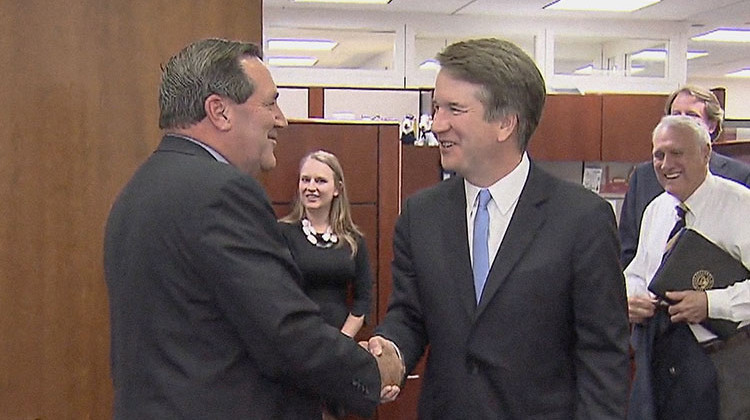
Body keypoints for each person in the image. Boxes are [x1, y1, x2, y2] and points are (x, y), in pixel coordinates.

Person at [103, 38, 400, 419]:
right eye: (270, 102)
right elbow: (285, 334)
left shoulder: (138, 189)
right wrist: (374, 373)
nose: (281, 119)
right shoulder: (222, 192)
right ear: (220, 111)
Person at [366, 38, 631, 419]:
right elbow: (409, 315)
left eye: (455, 109)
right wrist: (388, 351)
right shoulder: (421, 214)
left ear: (506, 122)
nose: (437, 124)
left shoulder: (581, 219)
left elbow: (604, 356)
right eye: (437, 107)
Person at [625, 115, 750, 420]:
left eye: (677, 153)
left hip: (720, 361)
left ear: (706, 153)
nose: (666, 164)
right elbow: (638, 271)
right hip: (657, 356)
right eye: (659, 155)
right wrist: (629, 295)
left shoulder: (741, 206)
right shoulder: (657, 209)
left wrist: (711, 303)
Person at [618, 85, 750, 268]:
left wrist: (708, 298)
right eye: (675, 115)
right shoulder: (655, 206)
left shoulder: (740, 198)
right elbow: (635, 265)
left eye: (691, 115)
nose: (667, 165)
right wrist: (632, 292)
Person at [279, 150, 373, 339]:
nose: (311, 187)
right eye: (305, 180)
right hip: (294, 341)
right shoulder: (281, 233)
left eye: (320, 181)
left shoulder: (353, 240)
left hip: (340, 344)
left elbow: (363, 298)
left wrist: (342, 341)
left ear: (337, 188)